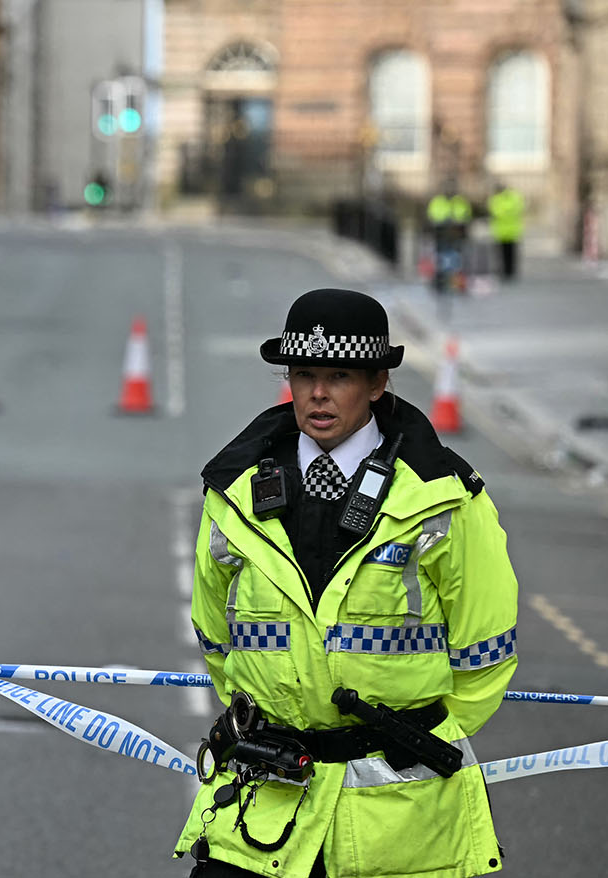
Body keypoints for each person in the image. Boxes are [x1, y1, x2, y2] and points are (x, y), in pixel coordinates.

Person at [174, 288, 519, 877]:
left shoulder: (442, 497)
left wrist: (414, 742)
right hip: (267, 797)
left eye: (340, 375)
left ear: (379, 383)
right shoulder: (234, 490)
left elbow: (486, 648)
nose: (318, 393)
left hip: (398, 814)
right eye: (304, 374)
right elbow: (215, 635)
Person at [427, 182, 472, 293]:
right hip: (441, 235)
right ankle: (441, 283)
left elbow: (466, 215)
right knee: (441, 260)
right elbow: (432, 216)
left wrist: (458, 222)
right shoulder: (437, 201)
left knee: (457, 261)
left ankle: (456, 284)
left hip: (456, 235)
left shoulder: (460, 202)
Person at [486, 182, 525, 280]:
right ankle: (509, 272)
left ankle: (505, 272)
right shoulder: (514, 198)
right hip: (510, 231)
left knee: (503, 254)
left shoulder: (497, 199)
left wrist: (504, 213)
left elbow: (494, 212)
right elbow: (519, 209)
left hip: (503, 231)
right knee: (510, 254)